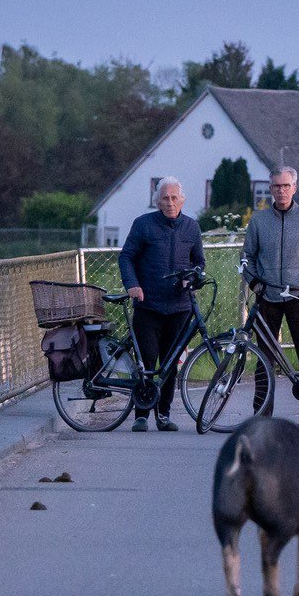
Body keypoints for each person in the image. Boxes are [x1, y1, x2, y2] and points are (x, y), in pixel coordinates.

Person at [241, 166, 299, 432]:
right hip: (267, 296)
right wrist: (255, 283)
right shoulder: (259, 220)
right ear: (270, 189)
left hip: (298, 295)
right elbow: (246, 256)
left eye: (285, 186)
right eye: (276, 187)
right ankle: (261, 417)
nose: (281, 191)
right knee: (264, 358)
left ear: (294, 187)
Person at [118, 177, 206, 432]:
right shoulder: (143, 225)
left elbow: (199, 262)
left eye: (174, 198)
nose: (170, 203)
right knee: (147, 360)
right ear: (157, 201)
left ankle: (164, 414)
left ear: (182, 200)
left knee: (171, 362)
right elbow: (126, 257)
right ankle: (141, 414)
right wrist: (132, 285)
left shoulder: (191, 227)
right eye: (165, 198)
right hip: (148, 305)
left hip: (180, 307)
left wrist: (193, 278)